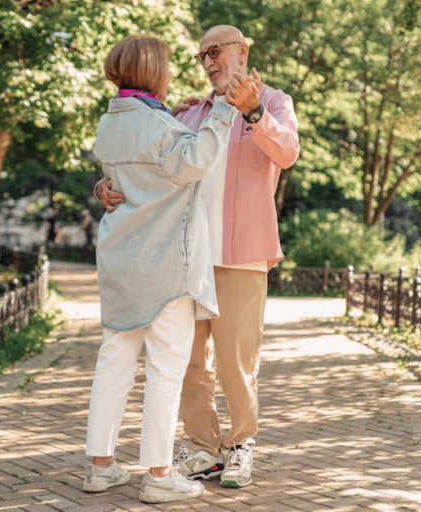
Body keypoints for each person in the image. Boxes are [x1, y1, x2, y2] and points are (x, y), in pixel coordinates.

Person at [95, 25, 300, 489]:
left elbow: (287, 153)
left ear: (242, 52)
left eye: (216, 51)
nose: (208, 62)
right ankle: (203, 449)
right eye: (201, 55)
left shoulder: (274, 103)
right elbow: (148, 164)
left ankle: (240, 445)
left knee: (236, 359)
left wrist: (253, 114)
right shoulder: (187, 113)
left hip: (243, 251)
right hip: (185, 253)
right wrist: (104, 187)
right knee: (189, 359)